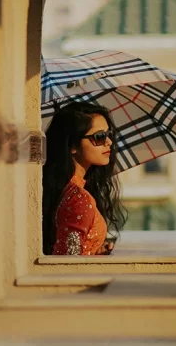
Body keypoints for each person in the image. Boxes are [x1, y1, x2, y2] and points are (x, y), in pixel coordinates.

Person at [42, 101, 127, 255]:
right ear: (73, 145)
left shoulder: (63, 190)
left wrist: (94, 249)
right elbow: (66, 262)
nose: (109, 142)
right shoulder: (78, 199)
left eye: (109, 134)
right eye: (100, 136)